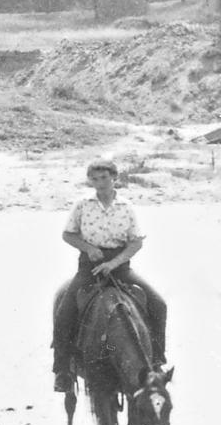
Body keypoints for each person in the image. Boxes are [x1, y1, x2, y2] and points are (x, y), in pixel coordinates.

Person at [52, 158, 167, 391]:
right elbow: (68, 234)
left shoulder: (126, 207)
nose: (100, 183)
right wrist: (89, 248)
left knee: (159, 303)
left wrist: (113, 263)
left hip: (120, 267)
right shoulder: (82, 204)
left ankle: (156, 360)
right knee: (64, 310)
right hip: (89, 267)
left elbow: (135, 243)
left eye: (104, 178)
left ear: (114, 177)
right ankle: (62, 369)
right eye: (94, 179)